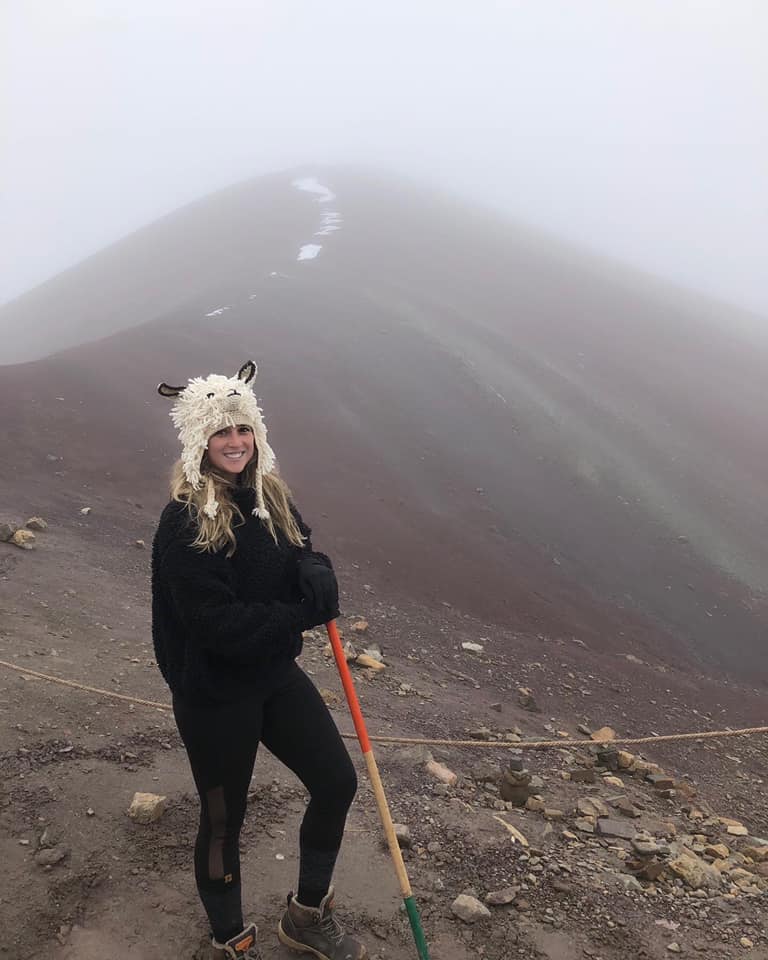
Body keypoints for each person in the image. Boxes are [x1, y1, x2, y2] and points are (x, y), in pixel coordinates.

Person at [151, 360, 367, 960]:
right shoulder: (185, 521)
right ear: (200, 439)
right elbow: (216, 626)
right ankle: (230, 939)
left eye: (243, 429)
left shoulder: (268, 495)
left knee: (335, 782)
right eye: (221, 431)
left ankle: (305, 916)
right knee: (224, 820)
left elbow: (297, 543)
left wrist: (313, 566)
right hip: (214, 691)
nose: (235, 442)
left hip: (272, 675)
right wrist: (301, 613)